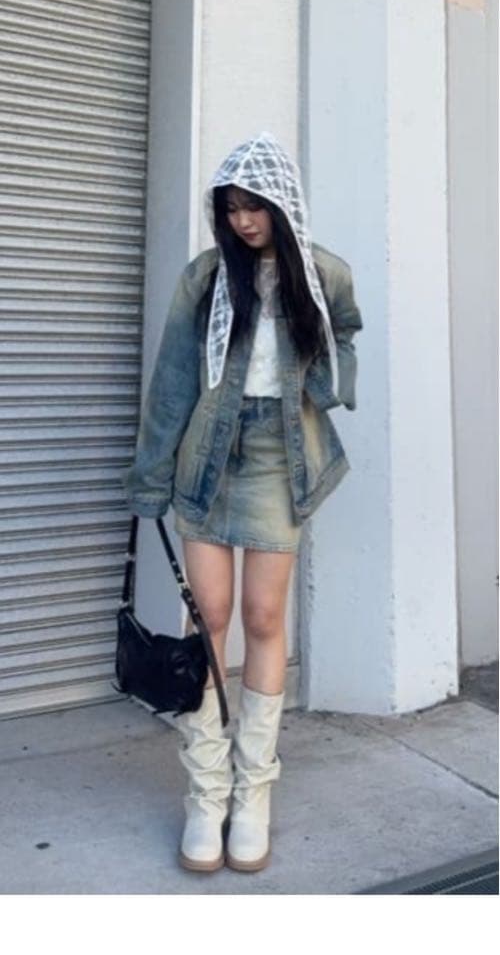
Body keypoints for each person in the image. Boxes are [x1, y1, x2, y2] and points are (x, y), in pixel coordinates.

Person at [122, 130, 363, 874]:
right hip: (207, 456)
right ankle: (207, 793)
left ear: (282, 204)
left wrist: (331, 381)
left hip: (278, 460)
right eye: (230, 208)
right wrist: (150, 476)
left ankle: (252, 793)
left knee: (262, 617)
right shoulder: (205, 278)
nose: (243, 221)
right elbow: (172, 378)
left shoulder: (322, 273)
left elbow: (345, 336)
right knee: (210, 619)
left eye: (254, 206)